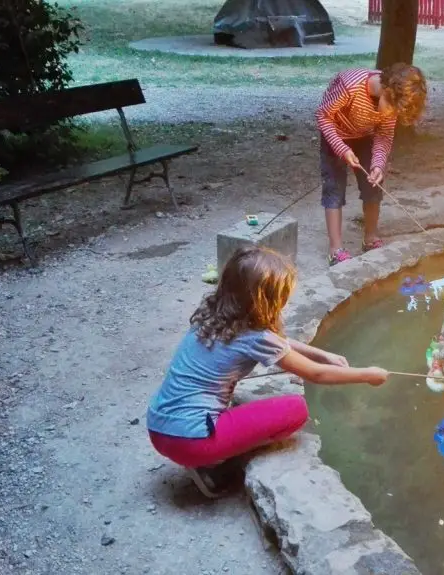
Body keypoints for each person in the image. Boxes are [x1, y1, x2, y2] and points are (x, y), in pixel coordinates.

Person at [146, 246, 389, 496]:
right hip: (191, 441)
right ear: (266, 300)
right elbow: (316, 374)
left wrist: (321, 353)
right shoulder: (255, 337)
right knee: (296, 409)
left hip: (158, 426)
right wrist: (368, 375)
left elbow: (274, 342)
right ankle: (215, 468)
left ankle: (209, 455)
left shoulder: (213, 313)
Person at [316, 63, 428, 266]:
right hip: (335, 134)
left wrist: (378, 164)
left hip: (364, 136)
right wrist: (342, 149)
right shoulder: (349, 85)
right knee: (334, 187)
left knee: (374, 183)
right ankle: (336, 250)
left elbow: (384, 134)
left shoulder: (392, 102)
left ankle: (370, 239)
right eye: (391, 108)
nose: (390, 114)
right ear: (386, 89)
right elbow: (323, 116)